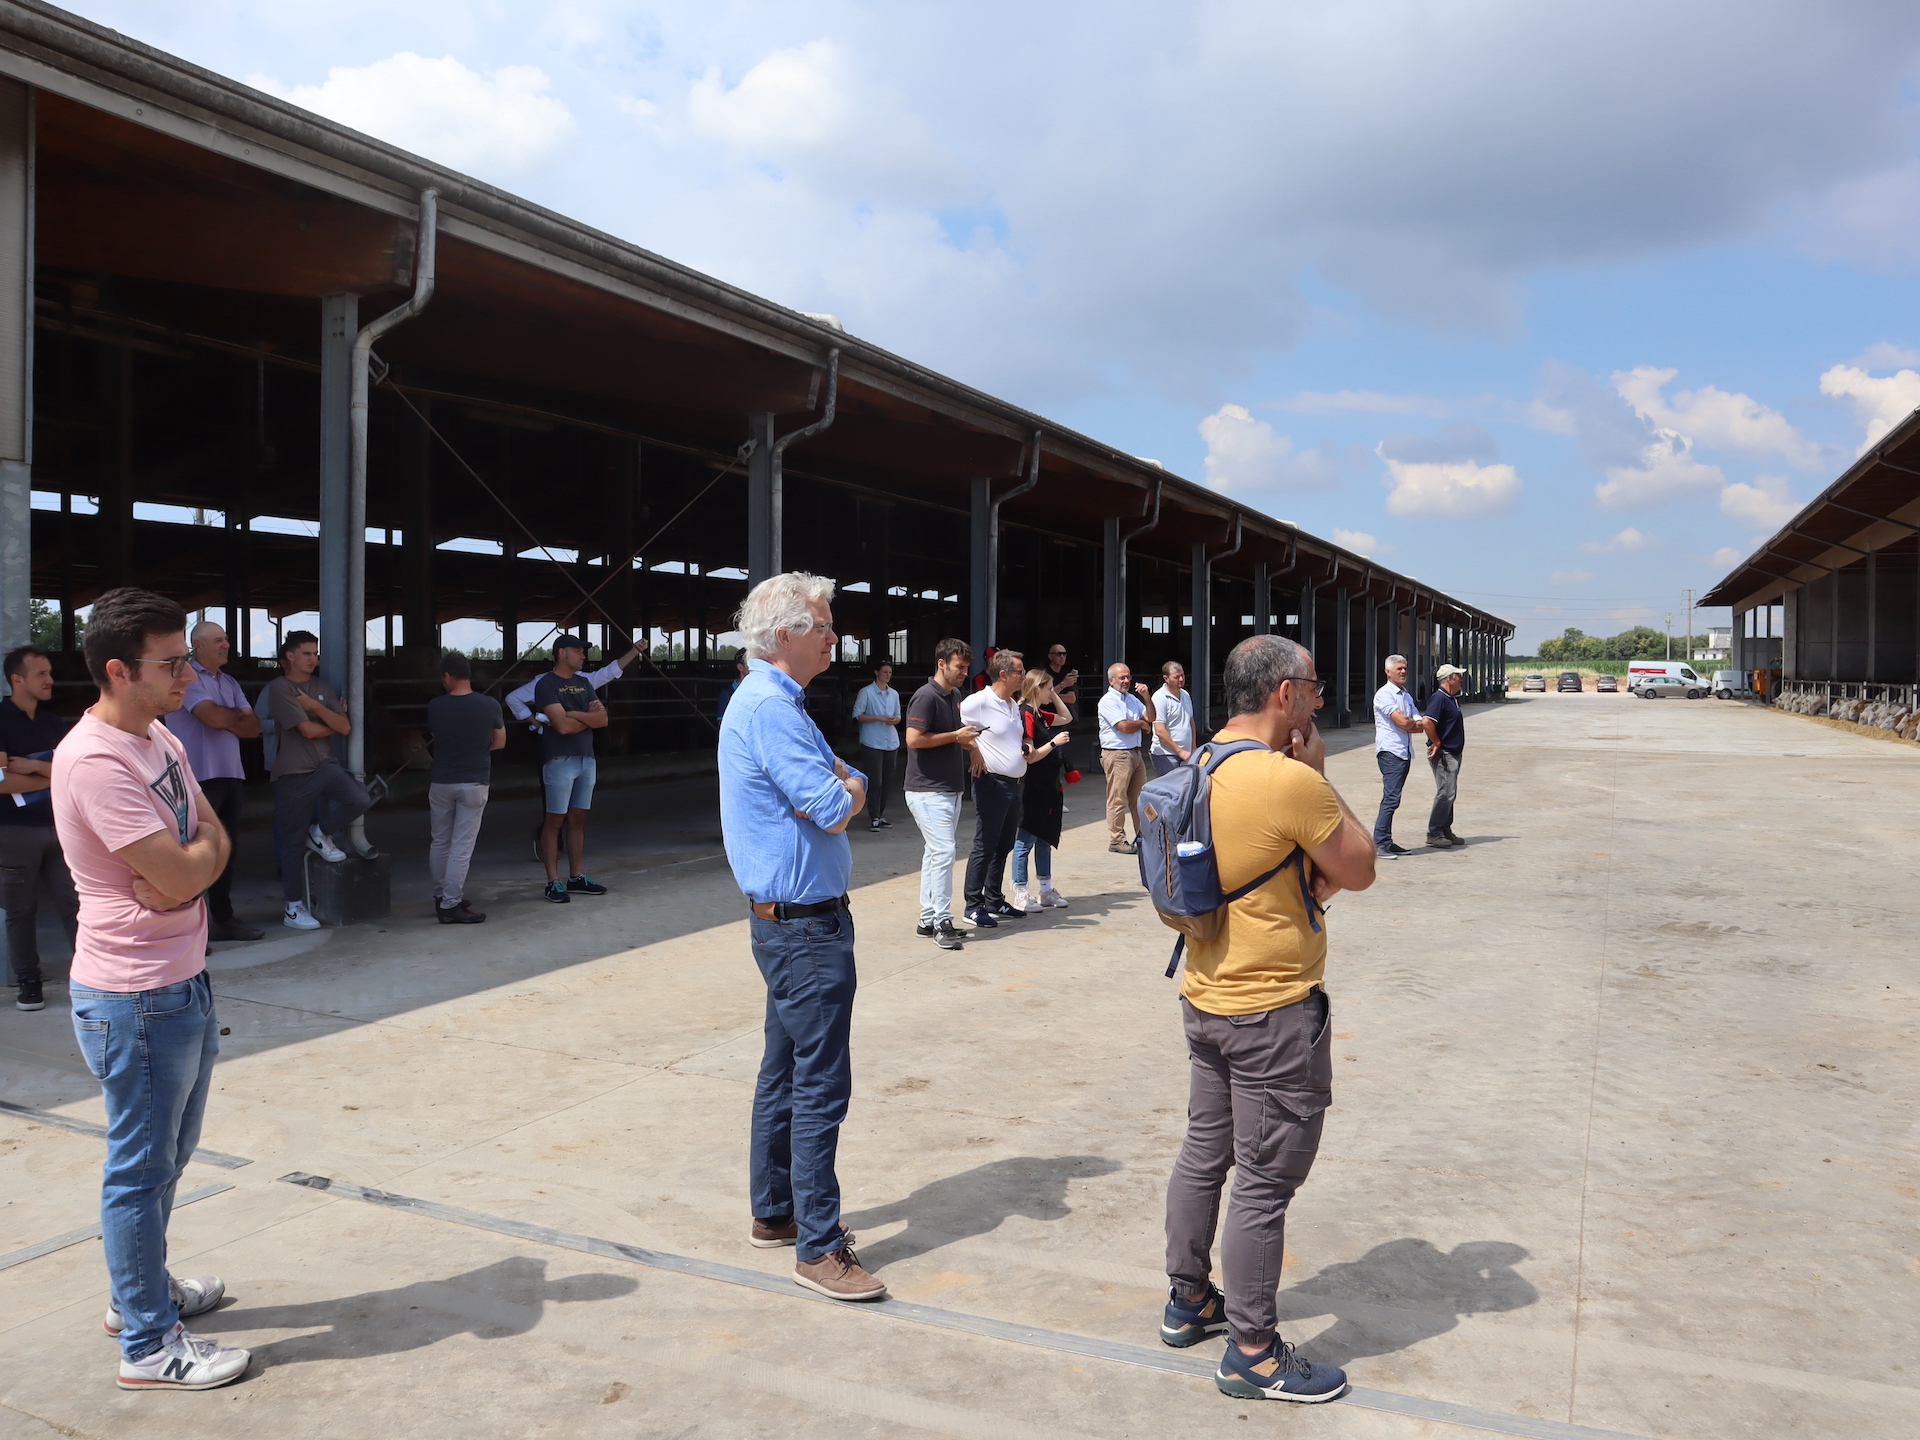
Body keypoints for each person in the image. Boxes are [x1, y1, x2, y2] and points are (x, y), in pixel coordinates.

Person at [1159, 634, 1376, 1404]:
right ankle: (1252, 1351)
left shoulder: (1195, 764)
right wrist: (1319, 774)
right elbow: (1360, 866)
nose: (1318, 700)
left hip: (1206, 998)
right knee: (1264, 1182)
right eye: (1313, 687)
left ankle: (1189, 1299)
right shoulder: (1289, 781)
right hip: (1273, 1012)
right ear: (1285, 694)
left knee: (1204, 1153)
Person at [52, 586, 250, 1391]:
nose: (188, 677)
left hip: (182, 979)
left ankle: (137, 1292)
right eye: (171, 664)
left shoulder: (158, 735)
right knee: (139, 1169)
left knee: (169, 1158)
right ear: (117, 670)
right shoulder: (95, 760)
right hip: (134, 997)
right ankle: (147, 1343)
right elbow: (181, 868)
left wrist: (192, 869)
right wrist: (190, 868)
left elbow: (211, 840)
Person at [717, 572, 882, 1302]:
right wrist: (851, 790)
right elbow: (834, 801)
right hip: (806, 929)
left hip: (789, 924)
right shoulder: (772, 709)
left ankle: (776, 1209)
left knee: (784, 1070)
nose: (834, 638)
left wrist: (847, 783)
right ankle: (819, 1246)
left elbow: (842, 774)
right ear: (785, 634)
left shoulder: (777, 702)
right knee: (820, 1082)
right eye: (824, 626)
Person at [165, 621, 263, 943]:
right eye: (219, 640)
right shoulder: (187, 678)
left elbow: (253, 728)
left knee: (224, 852)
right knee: (193, 853)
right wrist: (232, 716)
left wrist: (225, 718)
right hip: (196, 779)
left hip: (230, 775)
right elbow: (213, 718)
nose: (226, 645)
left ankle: (223, 919)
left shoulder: (229, 681)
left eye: (227, 639)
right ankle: (189, 928)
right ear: (199, 646)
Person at [263, 630, 367, 931]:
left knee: (359, 799)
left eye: (315, 653)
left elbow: (346, 727)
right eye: (306, 653)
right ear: (290, 656)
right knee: (292, 842)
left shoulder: (321, 686)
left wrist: (315, 707)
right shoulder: (280, 688)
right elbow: (308, 731)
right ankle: (293, 907)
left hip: (325, 765)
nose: (313, 659)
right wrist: (331, 720)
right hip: (293, 773)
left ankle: (319, 832)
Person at [0, 644, 79, 1010]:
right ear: (17, 680)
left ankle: (91, 974)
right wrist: (53, 773)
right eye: (41, 674)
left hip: (59, 828)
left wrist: (33, 768)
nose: (50, 680)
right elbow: (2, 782)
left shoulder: (53, 723)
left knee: (75, 905)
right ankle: (28, 981)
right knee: (20, 911)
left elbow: (74, 771)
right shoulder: (0, 719)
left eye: (49, 673)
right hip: (15, 831)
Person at [903, 639, 980, 951]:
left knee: (935, 853)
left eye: (966, 667)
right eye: (959, 667)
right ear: (941, 664)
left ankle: (927, 919)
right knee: (945, 852)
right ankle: (942, 921)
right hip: (927, 790)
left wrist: (971, 747)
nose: (964, 673)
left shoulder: (954, 695)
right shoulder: (926, 696)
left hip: (947, 788)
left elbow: (956, 735)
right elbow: (913, 739)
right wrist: (955, 737)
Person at [427, 651, 506, 923]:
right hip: (474, 781)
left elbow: (437, 737)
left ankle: (441, 896)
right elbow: (500, 742)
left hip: (441, 781)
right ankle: (451, 904)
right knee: (461, 846)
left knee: (440, 841)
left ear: (447, 676)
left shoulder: (435, 706)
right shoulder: (489, 705)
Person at [534, 635, 610, 904]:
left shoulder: (584, 683)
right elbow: (563, 727)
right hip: (558, 760)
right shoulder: (546, 685)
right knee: (554, 820)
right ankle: (552, 881)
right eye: (577, 651)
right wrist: (587, 718)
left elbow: (603, 719)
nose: (583, 655)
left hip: (586, 759)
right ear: (561, 653)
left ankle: (576, 876)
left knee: (578, 818)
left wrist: (573, 714)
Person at [959, 649, 1029, 928]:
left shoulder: (1012, 705)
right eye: (1020, 672)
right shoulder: (978, 702)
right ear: (1003, 674)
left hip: (1014, 785)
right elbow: (956, 728)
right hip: (992, 783)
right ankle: (973, 905)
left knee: (1004, 845)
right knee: (985, 845)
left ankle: (994, 899)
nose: (1024, 676)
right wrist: (973, 750)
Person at [1011, 668, 1073, 912]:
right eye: (1048, 688)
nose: (1052, 692)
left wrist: (1053, 694)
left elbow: (1066, 717)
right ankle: (1020, 891)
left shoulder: (1039, 714)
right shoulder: (1026, 713)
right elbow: (1031, 756)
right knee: (1026, 839)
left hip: (1048, 785)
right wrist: (1053, 743)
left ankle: (1046, 890)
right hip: (1033, 786)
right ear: (1037, 688)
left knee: (1045, 837)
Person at [1370, 654, 1435, 860]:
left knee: (1394, 798)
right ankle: (1379, 843)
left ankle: (1387, 841)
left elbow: (1419, 724)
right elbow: (1405, 723)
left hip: (1404, 752)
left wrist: (1412, 724)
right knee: (1391, 798)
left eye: (1405, 668)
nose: (1404, 672)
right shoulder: (1384, 695)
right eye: (1399, 669)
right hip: (1391, 752)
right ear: (1387, 672)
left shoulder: (1405, 695)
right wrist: (1412, 724)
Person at [1097, 662, 1156, 854]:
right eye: (1121, 678)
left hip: (1135, 753)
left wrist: (1146, 697)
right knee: (1117, 799)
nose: (1126, 681)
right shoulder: (1108, 701)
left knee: (1140, 798)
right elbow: (1123, 726)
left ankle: (1143, 836)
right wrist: (1141, 724)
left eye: (1128, 677)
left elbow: (1151, 717)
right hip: (1117, 754)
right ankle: (1117, 840)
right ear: (1111, 681)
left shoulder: (1131, 699)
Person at [851, 658, 902, 832]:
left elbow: (898, 716)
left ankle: (880, 814)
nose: (887, 675)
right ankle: (874, 816)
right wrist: (878, 718)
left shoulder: (894, 694)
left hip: (891, 742)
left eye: (890, 672)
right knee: (875, 780)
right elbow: (858, 715)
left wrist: (894, 720)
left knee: (887, 780)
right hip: (872, 741)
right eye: (884, 672)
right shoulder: (866, 692)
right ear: (877, 673)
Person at [1423, 663, 1468, 849]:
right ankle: (1434, 832)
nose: (1462, 679)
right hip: (1444, 754)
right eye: (1458, 676)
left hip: (1453, 752)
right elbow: (1427, 722)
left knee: (1450, 792)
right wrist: (1437, 742)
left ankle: (1445, 829)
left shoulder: (1451, 698)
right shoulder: (1439, 698)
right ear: (1449, 679)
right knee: (1445, 792)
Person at [1151, 660, 1196, 777]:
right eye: (1176, 677)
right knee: (1171, 786)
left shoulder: (1185, 694)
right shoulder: (1159, 698)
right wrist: (1180, 751)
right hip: (1166, 755)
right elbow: (1160, 730)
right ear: (1166, 678)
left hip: (1186, 753)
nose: (1181, 679)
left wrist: (1193, 747)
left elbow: (1190, 721)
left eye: (1182, 675)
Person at [1043, 644, 1079, 709]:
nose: (1062, 657)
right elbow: (1043, 697)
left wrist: (1052, 697)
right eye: (1058, 654)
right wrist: (1063, 684)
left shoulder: (1066, 674)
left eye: (1064, 654)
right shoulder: (1043, 674)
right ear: (1050, 656)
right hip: (1047, 711)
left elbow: (1072, 699)